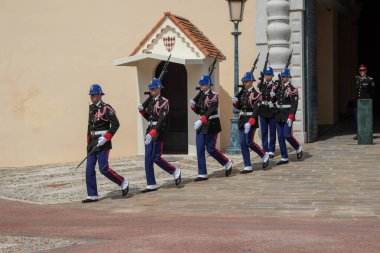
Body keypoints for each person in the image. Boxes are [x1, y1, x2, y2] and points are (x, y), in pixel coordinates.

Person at [84, 84, 129, 203]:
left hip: (103, 141)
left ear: (100, 95)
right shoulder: (91, 108)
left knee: (103, 169)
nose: (93, 97)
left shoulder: (106, 108)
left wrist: (106, 137)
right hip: (93, 142)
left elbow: (116, 124)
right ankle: (92, 195)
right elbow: (89, 126)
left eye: (94, 95)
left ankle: (122, 181)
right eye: (91, 95)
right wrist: (88, 142)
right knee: (89, 169)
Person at [137, 78, 181, 193]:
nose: (151, 90)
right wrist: (142, 111)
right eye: (150, 88)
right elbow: (149, 118)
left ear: (159, 89)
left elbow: (161, 119)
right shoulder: (150, 101)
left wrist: (153, 132)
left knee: (156, 158)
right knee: (147, 158)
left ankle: (174, 171)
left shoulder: (164, 101)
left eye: (153, 88)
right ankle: (151, 183)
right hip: (149, 129)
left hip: (159, 130)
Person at [190, 75, 233, 181]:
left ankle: (226, 162)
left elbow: (211, 110)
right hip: (202, 124)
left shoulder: (214, 95)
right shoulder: (200, 95)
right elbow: (199, 111)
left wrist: (201, 120)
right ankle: (202, 173)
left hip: (212, 124)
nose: (201, 86)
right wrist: (193, 106)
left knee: (211, 149)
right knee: (200, 149)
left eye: (203, 84)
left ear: (209, 84)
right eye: (201, 85)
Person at [232, 72, 269, 173]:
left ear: (252, 82)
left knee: (249, 142)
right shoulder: (243, 93)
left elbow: (256, 110)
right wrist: (235, 103)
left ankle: (264, 155)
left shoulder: (257, 94)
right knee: (243, 143)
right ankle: (247, 165)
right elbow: (240, 107)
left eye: (247, 81)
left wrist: (251, 122)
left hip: (251, 119)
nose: (245, 83)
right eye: (244, 81)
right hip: (242, 118)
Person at [274, 69, 303, 165]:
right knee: (281, 137)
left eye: (285, 77)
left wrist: (291, 116)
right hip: (279, 114)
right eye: (282, 77)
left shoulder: (293, 89)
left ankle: (298, 147)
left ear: (288, 78)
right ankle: (284, 157)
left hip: (287, 114)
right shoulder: (278, 88)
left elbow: (294, 104)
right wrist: (272, 95)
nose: (282, 78)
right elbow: (274, 100)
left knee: (287, 135)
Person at [257, 67, 277, 158]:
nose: (267, 76)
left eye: (269, 75)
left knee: (272, 131)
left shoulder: (275, 85)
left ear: (272, 75)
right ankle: (265, 149)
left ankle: (272, 150)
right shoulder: (261, 85)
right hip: (263, 110)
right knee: (264, 131)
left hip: (272, 110)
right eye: (266, 75)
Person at [353, 65, 376, 140]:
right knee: (358, 118)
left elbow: (372, 92)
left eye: (363, 70)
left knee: (366, 118)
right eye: (360, 70)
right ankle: (359, 133)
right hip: (359, 101)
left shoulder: (370, 79)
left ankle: (368, 133)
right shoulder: (357, 78)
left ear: (366, 71)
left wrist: (370, 100)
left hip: (366, 102)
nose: (362, 72)